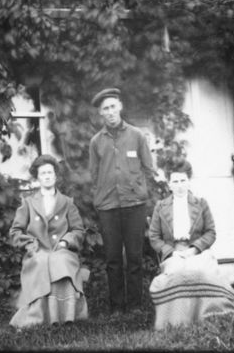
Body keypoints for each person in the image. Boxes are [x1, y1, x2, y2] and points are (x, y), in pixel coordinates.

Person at [88, 87, 157, 313]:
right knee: (113, 259)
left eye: (112, 106)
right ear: (100, 113)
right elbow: (94, 175)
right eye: (104, 109)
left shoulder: (136, 135)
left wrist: (138, 190)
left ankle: (135, 305)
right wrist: (101, 198)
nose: (109, 112)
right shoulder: (96, 142)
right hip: (108, 207)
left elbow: (148, 168)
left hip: (134, 205)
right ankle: (117, 306)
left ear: (120, 107)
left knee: (135, 257)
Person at [147, 160, 234, 329]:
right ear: (169, 184)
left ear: (189, 181)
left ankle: (209, 316)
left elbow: (211, 232)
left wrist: (194, 249)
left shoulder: (201, 203)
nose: (180, 185)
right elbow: (153, 236)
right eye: (175, 181)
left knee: (200, 273)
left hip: (197, 252)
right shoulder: (161, 207)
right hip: (173, 253)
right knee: (177, 274)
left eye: (183, 180)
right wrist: (171, 252)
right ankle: (176, 321)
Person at [9, 154, 90, 328]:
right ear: (37, 177)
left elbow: (78, 230)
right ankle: (38, 318)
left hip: (61, 250)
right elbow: (15, 231)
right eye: (43, 173)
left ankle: (65, 317)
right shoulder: (28, 203)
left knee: (60, 260)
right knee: (41, 261)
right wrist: (30, 245)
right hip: (37, 252)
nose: (47, 176)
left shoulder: (67, 202)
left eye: (50, 173)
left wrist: (66, 242)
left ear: (55, 176)